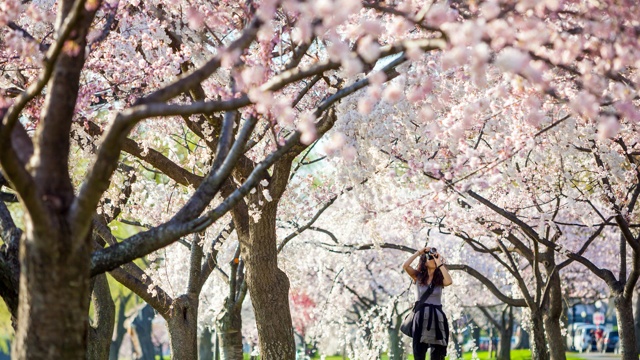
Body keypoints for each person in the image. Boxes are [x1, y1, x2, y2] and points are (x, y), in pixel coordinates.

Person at [403, 246, 453, 360]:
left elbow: (449, 281)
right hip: (420, 316)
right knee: (419, 351)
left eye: (434, 258)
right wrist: (419, 252)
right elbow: (405, 266)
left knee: (437, 353)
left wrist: (439, 262)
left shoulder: (440, 280)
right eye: (430, 258)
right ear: (424, 262)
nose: (433, 259)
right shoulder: (418, 277)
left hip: (437, 316)